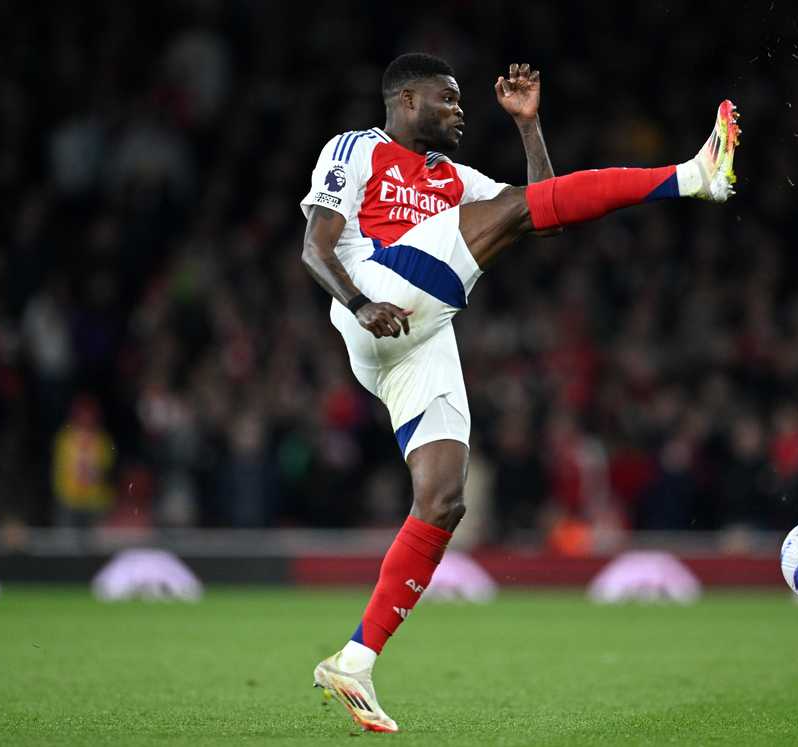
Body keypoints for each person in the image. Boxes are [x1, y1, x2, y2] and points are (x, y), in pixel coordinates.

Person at [301, 53, 739, 732]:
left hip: (421, 335)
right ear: (406, 99)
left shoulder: (454, 179)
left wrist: (530, 128)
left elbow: (544, 212)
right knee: (506, 212)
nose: (460, 111)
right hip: (374, 292)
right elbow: (315, 247)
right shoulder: (357, 148)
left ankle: (355, 659)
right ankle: (692, 174)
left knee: (443, 500)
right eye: (447, 100)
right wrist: (359, 303)